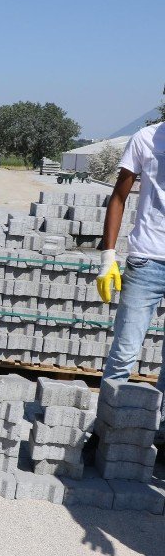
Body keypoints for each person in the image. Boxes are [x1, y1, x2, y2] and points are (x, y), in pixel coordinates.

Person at [96, 121, 165, 386]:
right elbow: (118, 197)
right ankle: (107, 426)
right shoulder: (146, 138)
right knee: (124, 354)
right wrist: (108, 257)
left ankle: (156, 426)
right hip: (146, 260)